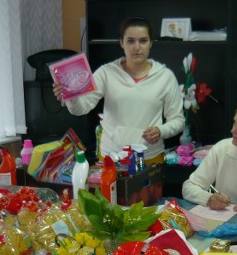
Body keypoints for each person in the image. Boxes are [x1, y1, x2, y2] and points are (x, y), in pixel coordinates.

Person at [52, 16, 184, 165]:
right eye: (130, 41)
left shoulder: (165, 76)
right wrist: (71, 96)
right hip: (111, 158)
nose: (137, 47)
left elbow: (178, 120)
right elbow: (80, 109)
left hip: (149, 157)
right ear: (122, 43)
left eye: (143, 40)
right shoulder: (106, 73)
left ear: (150, 43)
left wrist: (161, 131)